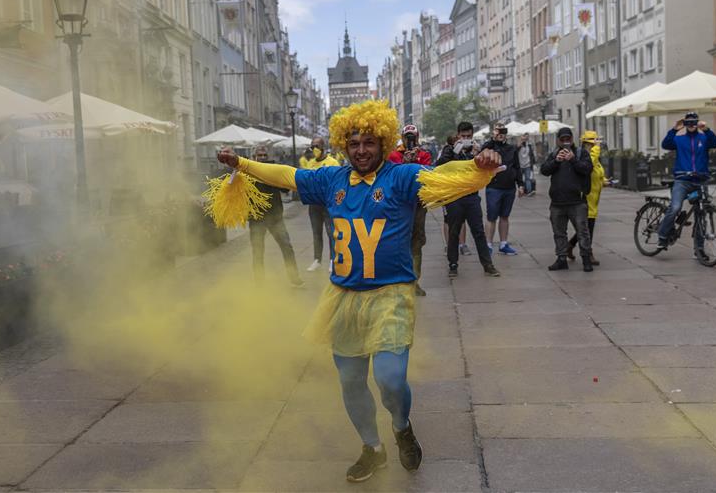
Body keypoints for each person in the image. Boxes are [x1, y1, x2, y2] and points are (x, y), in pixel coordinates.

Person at [214, 99, 502, 483]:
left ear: (383, 142)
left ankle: (401, 426)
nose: (361, 150)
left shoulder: (400, 177)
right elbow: (286, 175)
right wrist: (242, 165)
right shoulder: (331, 179)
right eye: (354, 144)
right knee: (350, 379)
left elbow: (441, 173)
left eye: (369, 142)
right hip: (344, 295)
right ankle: (372, 447)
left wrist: (476, 166)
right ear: (344, 146)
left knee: (390, 378)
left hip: (392, 294)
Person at [437, 121, 501, 278]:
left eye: (468, 136)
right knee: (454, 232)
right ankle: (453, 265)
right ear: (458, 135)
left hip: (472, 196)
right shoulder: (449, 149)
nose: (466, 138)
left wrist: (478, 154)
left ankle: (488, 265)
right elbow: (439, 166)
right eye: (463, 136)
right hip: (454, 196)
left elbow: (485, 168)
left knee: (479, 231)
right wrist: (455, 151)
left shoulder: (475, 149)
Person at [657, 112, 716, 261]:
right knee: (675, 208)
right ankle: (662, 235)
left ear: (697, 123)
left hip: (700, 180)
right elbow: (665, 144)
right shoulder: (679, 139)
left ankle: (698, 249)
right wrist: (674, 129)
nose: (691, 125)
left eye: (694, 122)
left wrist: (706, 129)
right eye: (688, 122)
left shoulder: (704, 138)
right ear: (685, 124)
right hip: (682, 180)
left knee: (701, 214)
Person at [248, 146, 304, 287]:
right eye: (259, 155)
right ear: (254, 156)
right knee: (258, 251)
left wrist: (281, 178)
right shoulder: (248, 171)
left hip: (275, 218)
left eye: (264, 155)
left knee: (286, 246)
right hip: (257, 219)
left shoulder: (273, 170)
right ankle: (259, 282)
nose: (262, 157)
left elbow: (285, 188)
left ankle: (294, 276)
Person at [540, 127, 594, 272]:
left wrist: (573, 160)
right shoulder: (554, 154)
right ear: (558, 140)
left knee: (583, 232)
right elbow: (544, 170)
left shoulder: (581, 153)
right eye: (562, 140)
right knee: (559, 233)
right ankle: (561, 258)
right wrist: (556, 161)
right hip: (557, 202)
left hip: (577, 201)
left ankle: (586, 259)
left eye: (567, 139)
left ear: (572, 139)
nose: (565, 143)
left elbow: (587, 168)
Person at [388, 124, 432, 296]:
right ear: (403, 137)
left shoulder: (424, 155)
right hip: (399, 206)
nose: (410, 140)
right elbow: (391, 177)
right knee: (398, 241)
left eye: (413, 137)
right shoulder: (393, 155)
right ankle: (399, 280)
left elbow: (428, 176)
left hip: (419, 205)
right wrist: (404, 163)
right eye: (408, 137)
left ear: (418, 138)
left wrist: (416, 162)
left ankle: (415, 281)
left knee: (417, 242)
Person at [481, 122, 524, 255]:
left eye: (503, 131)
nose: (501, 134)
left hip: (509, 187)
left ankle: (503, 244)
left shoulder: (511, 149)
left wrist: (520, 184)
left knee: (505, 216)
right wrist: (492, 139)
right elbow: (483, 150)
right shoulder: (490, 146)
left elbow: (517, 167)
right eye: (498, 131)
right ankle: (488, 244)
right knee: (491, 217)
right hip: (494, 186)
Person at [567, 131, 607, 266]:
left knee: (585, 229)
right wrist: (596, 147)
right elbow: (590, 165)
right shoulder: (587, 156)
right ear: (588, 144)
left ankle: (569, 246)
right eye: (594, 143)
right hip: (586, 197)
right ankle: (588, 254)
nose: (596, 145)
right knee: (587, 229)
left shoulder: (593, 156)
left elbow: (597, 172)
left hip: (594, 198)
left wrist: (604, 181)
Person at [306, 138, 340, 271]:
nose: (315, 149)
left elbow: (338, 182)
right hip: (314, 204)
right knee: (316, 233)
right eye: (312, 146)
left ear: (323, 146)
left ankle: (333, 260)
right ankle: (317, 260)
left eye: (317, 146)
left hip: (328, 203)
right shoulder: (310, 163)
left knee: (331, 232)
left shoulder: (333, 162)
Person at [438, 135, 468, 254]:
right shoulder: (446, 151)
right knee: (447, 219)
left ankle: (462, 244)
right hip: (447, 190)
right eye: (458, 141)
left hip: (460, 189)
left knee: (462, 218)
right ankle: (448, 245)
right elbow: (441, 164)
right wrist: (454, 152)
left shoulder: (463, 152)